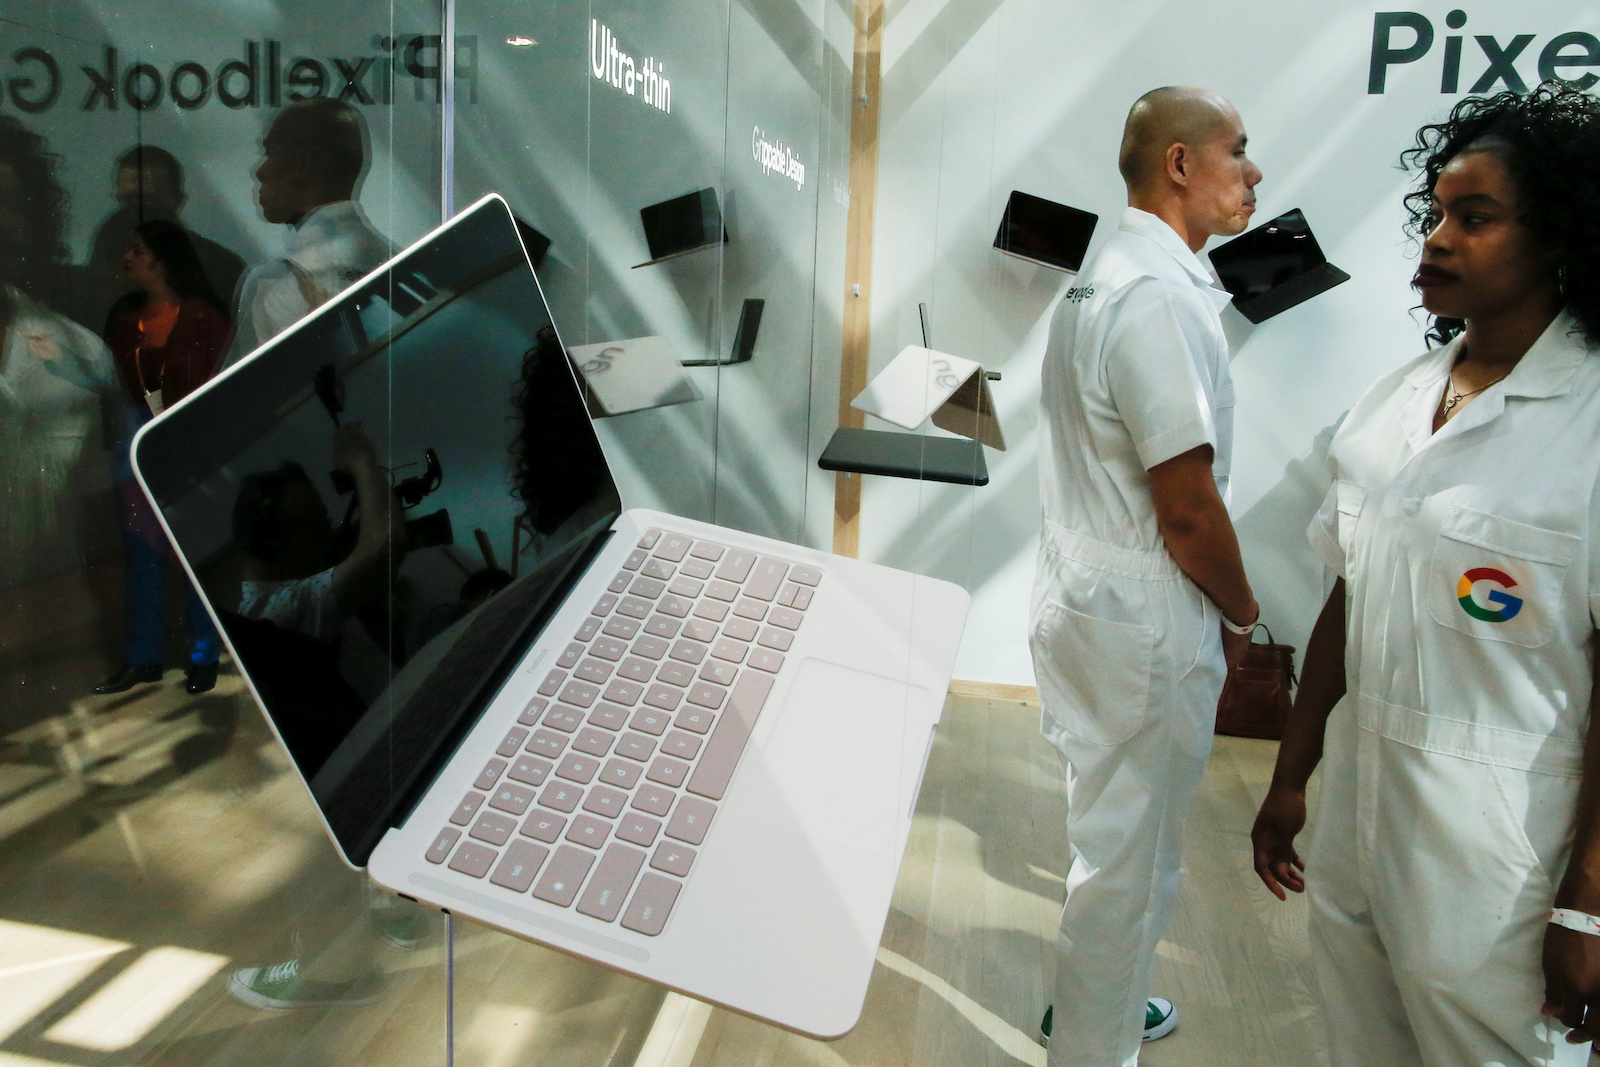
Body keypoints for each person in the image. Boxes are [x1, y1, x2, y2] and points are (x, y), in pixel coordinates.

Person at [1250, 83, 1600, 1066]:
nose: (1438, 238)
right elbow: (1347, 594)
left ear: (1560, 237)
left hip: (1498, 841)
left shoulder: (1588, 421)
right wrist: (1291, 772)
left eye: (1475, 218)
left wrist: (1589, 903)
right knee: (1364, 1041)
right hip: (1361, 807)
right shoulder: (1392, 402)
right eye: (1437, 213)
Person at [1031, 86, 1261, 1065]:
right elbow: (1187, 506)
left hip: (1083, 596)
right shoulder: (1157, 296)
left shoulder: (1101, 279)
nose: (1253, 173)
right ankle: (1096, 1041)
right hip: (1142, 612)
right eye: (1237, 151)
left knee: (1106, 833)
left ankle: (1098, 1000)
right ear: (1178, 165)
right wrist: (1245, 614)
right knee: (1135, 858)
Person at [90, 221, 230, 695]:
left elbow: (217, 385)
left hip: (191, 447)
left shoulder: (203, 317)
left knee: (193, 555)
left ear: (164, 260)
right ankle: (142, 658)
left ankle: (204, 655)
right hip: (134, 448)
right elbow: (113, 387)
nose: (128, 258)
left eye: (138, 250)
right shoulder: (125, 318)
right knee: (142, 555)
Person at [0, 115, 114, 594]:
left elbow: (105, 525)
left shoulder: (85, 356)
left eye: (6, 203)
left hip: (52, 635)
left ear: (30, 220)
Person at [223, 98, 392, 368]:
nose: (259, 170)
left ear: (300, 165)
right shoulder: (395, 264)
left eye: (269, 153)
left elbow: (245, 400)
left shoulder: (273, 284)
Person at [62, 145, 245, 338]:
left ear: (178, 200)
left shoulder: (220, 265)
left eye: (150, 202)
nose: (138, 212)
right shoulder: (107, 257)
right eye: (129, 200)